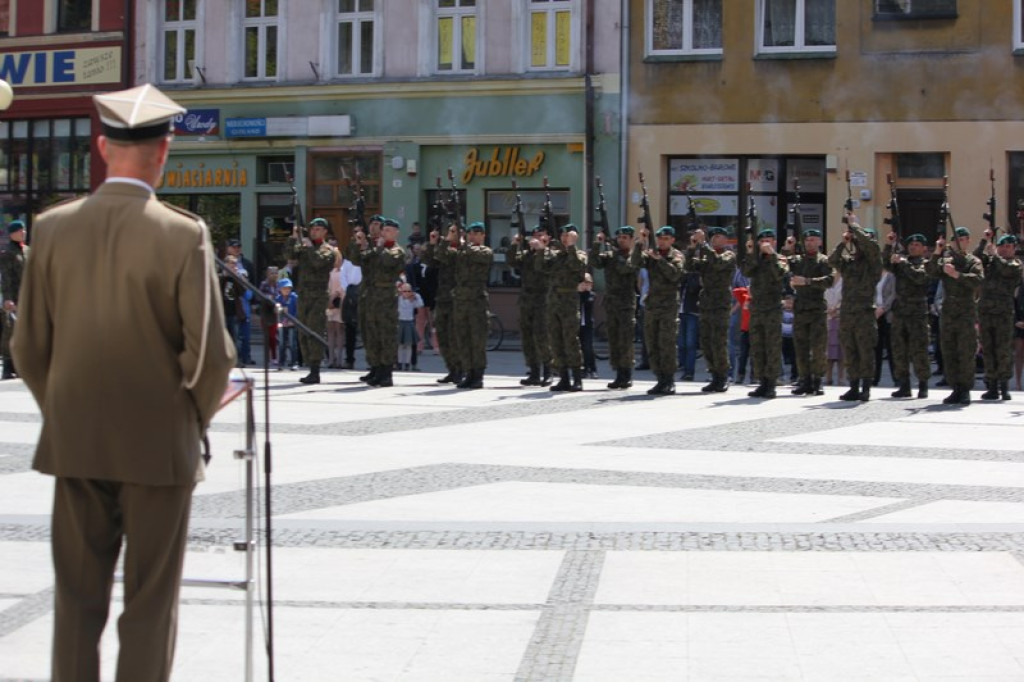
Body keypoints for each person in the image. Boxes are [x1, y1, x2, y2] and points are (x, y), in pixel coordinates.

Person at [11, 83, 236, 682]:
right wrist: (193, 416)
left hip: (76, 439)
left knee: (76, 604)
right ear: (165, 151)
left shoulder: (51, 229)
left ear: (104, 149)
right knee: (149, 605)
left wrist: (61, 406)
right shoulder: (183, 233)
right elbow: (210, 355)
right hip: (159, 443)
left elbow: (28, 346)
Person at [926, 226, 983, 405]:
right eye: (956, 239)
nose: (960, 242)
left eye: (963, 239)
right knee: (948, 351)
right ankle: (955, 388)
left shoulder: (973, 261)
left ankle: (965, 389)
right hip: (948, 313)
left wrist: (957, 274)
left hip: (965, 313)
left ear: (968, 241)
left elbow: (977, 280)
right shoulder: (946, 259)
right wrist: (937, 251)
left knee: (965, 352)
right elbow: (930, 271)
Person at [829, 213, 882, 401]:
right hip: (847, 313)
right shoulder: (850, 263)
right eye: (857, 243)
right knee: (849, 350)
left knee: (865, 351)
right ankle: (853, 386)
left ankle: (866, 387)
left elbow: (872, 248)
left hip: (864, 313)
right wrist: (844, 242)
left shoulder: (874, 264)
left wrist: (855, 227)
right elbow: (833, 260)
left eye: (861, 242)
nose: (859, 246)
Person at [437, 221, 493, 389]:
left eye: (477, 233)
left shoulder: (485, 251)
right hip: (460, 301)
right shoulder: (461, 252)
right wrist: (448, 239)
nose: (473, 236)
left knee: (477, 340)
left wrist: (462, 244)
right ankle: (468, 372)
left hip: (477, 301)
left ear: (483, 235)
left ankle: (478, 375)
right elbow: (441, 255)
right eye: (470, 233)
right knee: (463, 339)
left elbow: (474, 254)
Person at [351, 217, 406, 387]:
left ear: (396, 233)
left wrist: (379, 248)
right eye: (384, 230)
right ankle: (377, 368)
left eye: (390, 230)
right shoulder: (377, 249)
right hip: (371, 297)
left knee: (386, 335)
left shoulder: (397, 250)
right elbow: (357, 259)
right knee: (372, 334)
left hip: (386, 297)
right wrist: (358, 242)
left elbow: (388, 261)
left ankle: (387, 372)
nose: (385, 233)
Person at [589, 225, 643, 389]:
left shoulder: (634, 256)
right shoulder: (611, 255)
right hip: (612, 303)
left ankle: (627, 374)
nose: (621, 240)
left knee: (625, 340)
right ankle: (618, 373)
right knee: (613, 340)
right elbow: (595, 262)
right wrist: (598, 244)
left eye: (625, 238)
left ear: (631, 240)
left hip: (626, 303)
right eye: (619, 237)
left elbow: (625, 269)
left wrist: (615, 253)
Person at [740, 228, 789, 399]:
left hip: (772, 309)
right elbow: (746, 271)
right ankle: (761, 381)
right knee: (757, 346)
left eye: (769, 240)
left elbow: (781, 274)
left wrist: (772, 254)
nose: (765, 244)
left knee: (772, 346)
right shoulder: (756, 260)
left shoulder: (780, 258)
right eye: (762, 241)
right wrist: (751, 252)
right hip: (757, 308)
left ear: (775, 242)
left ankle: (771, 382)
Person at [883, 233, 934, 398]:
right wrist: (889, 246)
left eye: (917, 245)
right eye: (911, 244)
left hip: (917, 313)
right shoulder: (901, 262)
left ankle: (923, 384)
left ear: (924, 248)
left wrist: (903, 262)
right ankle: (904, 384)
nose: (913, 247)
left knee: (919, 350)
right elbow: (885, 264)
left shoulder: (926, 264)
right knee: (899, 350)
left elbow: (919, 277)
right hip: (900, 313)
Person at [686, 226, 736, 393]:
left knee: (719, 342)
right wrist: (692, 248)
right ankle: (714, 374)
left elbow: (718, 263)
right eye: (713, 236)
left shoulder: (728, 255)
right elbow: (689, 266)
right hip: (706, 303)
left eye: (719, 236)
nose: (715, 239)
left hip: (721, 303)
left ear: (726, 240)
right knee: (706, 342)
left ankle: (723, 376)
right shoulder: (706, 254)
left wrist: (704, 244)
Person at [287, 216, 336, 384]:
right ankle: (309, 365)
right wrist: (294, 237)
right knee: (303, 331)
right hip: (303, 294)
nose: (314, 231)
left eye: (317, 229)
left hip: (318, 295)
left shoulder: (328, 249)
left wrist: (308, 247)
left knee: (314, 330)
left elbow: (318, 263)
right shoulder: (305, 245)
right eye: (312, 229)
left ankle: (315, 369)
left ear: (324, 232)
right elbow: (289, 255)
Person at [541, 224, 588, 391]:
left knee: (570, 341)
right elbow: (541, 267)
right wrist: (542, 248)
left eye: (567, 235)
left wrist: (571, 246)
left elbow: (577, 266)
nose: (564, 237)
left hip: (568, 302)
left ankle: (577, 378)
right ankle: (563, 377)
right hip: (553, 302)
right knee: (556, 341)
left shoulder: (579, 254)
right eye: (562, 235)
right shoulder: (555, 255)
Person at [787, 228, 834, 396]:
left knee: (818, 348)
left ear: (820, 242)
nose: (810, 243)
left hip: (816, 310)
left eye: (813, 239)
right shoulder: (798, 260)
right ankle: (804, 379)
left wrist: (807, 281)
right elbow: (782, 265)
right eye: (807, 240)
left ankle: (817, 380)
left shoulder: (824, 261)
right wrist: (788, 247)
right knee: (801, 348)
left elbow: (829, 281)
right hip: (800, 309)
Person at [975, 231, 1022, 400]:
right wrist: (984, 241)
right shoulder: (991, 262)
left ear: (1014, 249)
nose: (1004, 249)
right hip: (986, 312)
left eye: (1008, 247)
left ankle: (1004, 386)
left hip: (1003, 314)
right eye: (1001, 246)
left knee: (1003, 350)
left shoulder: (1015, 264)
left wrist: (994, 255)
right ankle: (992, 385)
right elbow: (975, 259)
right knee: (988, 349)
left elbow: (1005, 269)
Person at [640, 226, 685, 395]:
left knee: (667, 344)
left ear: (672, 240)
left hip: (668, 306)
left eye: (666, 239)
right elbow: (635, 263)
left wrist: (659, 260)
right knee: (652, 343)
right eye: (660, 238)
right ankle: (659, 379)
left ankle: (669, 379)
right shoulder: (651, 254)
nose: (662, 241)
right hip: (652, 304)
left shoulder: (677, 256)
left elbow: (675, 275)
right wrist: (641, 243)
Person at [509, 226, 553, 386]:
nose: (536, 239)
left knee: (542, 337)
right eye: (534, 236)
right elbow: (512, 261)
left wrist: (541, 249)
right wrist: (515, 243)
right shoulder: (527, 255)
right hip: (526, 300)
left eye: (540, 235)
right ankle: (534, 371)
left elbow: (546, 267)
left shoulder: (551, 254)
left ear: (547, 238)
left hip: (543, 301)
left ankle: (548, 370)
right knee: (527, 338)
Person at [424, 221, 462, 384]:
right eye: (449, 231)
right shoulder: (444, 249)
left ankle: (461, 369)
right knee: (443, 337)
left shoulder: (463, 250)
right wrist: (432, 243)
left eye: (453, 231)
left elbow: (444, 255)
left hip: (457, 299)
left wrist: (445, 241)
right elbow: (430, 261)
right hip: (442, 298)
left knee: (455, 337)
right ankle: (452, 369)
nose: (450, 234)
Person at [0, 219, 27, 379]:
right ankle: (8, 366)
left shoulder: (27, 251)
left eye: (23, 230)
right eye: (19, 230)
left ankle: (20, 365)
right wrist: (8, 299)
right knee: (10, 331)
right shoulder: (8, 253)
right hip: (14, 297)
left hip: (27, 297)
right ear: (12, 234)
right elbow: (6, 277)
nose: (23, 232)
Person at [676, 267, 701, 382]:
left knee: (690, 344)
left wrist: (691, 274)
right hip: (681, 312)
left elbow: (694, 288)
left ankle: (689, 372)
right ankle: (682, 365)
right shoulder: (683, 277)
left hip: (692, 312)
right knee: (681, 344)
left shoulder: (695, 275)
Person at [339, 248, 362, 369]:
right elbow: (342, 277)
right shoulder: (347, 264)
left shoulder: (365, 259)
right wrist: (347, 291)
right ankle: (349, 359)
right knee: (350, 328)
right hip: (350, 292)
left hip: (363, 291)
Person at [873, 267, 896, 386]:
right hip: (875, 314)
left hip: (888, 314)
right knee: (876, 347)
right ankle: (874, 377)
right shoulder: (873, 275)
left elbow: (893, 294)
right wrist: (874, 308)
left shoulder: (891, 276)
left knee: (891, 346)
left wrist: (883, 308)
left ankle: (896, 378)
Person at [396, 282, 424, 371]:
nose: (407, 293)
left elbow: (420, 304)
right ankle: (399, 363)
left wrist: (415, 297)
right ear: (401, 291)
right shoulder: (398, 298)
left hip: (409, 322)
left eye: (409, 291)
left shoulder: (414, 298)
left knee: (409, 345)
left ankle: (407, 363)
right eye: (405, 291)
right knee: (400, 345)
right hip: (400, 322)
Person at [327, 251, 346, 369]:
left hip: (340, 302)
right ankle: (330, 358)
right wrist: (328, 299)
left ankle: (339, 359)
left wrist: (334, 297)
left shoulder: (344, 271)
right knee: (330, 330)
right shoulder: (330, 272)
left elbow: (343, 285)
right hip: (329, 303)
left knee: (339, 330)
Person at [258, 266, 280, 367]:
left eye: (276, 273)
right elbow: (259, 296)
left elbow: (279, 297)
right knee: (267, 337)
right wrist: (269, 298)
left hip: (275, 314)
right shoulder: (264, 285)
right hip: (265, 314)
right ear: (267, 274)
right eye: (272, 273)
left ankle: (274, 357)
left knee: (273, 337)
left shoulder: (278, 285)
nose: (274, 275)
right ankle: (267, 358)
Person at [579, 272, 598, 379]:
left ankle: (592, 369)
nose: (585, 285)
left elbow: (587, 302)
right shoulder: (575, 294)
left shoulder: (591, 295)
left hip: (587, 325)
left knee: (588, 347)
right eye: (583, 283)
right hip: (577, 324)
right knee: (579, 347)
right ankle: (583, 369)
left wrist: (583, 292)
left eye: (588, 283)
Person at [276, 278, 299, 370]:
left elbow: (298, 310)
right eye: (284, 288)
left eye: (289, 288)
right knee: (281, 343)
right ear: (280, 289)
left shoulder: (294, 297)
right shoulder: (278, 298)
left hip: (292, 323)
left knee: (292, 343)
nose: (287, 290)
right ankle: (281, 362)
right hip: (282, 323)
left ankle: (294, 362)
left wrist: (293, 320)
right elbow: (276, 311)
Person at [825, 275, 844, 385]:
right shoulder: (824, 278)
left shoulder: (845, 279)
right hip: (826, 315)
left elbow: (847, 295)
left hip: (840, 316)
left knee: (841, 348)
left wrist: (837, 309)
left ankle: (842, 377)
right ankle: (828, 377)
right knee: (828, 349)